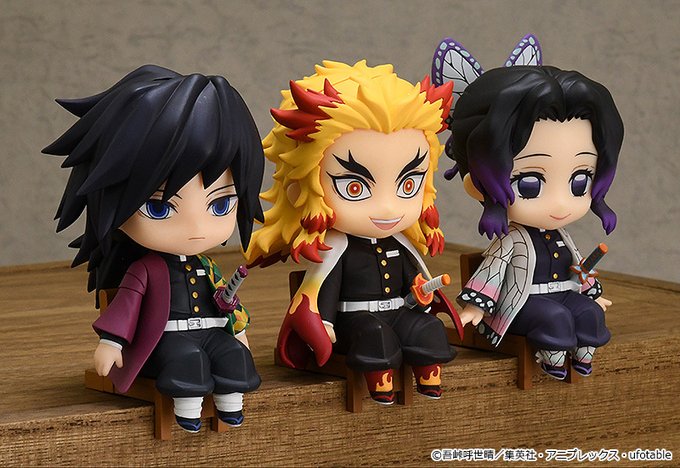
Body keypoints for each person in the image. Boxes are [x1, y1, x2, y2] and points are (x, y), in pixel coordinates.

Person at [44, 65, 265, 431]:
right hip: (167, 339)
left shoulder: (208, 267)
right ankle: (188, 409)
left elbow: (226, 301)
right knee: (188, 360)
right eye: (160, 208)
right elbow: (126, 307)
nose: (196, 230)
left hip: (211, 330)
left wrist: (237, 329)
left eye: (220, 205)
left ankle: (231, 403)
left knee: (233, 355)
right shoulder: (145, 270)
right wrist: (112, 342)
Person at [246, 60, 461, 404]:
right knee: (374, 334)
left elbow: (415, 283)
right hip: (355, 321)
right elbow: (325, 289)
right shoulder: (336, 247)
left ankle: (428, 373)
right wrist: (325, 323)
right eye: (355, 188)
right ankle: (380, 380)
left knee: (428, 328)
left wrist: (421, 294)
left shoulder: (400, 242)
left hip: (399, 311)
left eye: (408, 185)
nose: (388, 207)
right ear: (305, 183)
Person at [447, 65, 624, 379]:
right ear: (477, 183)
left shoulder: (562, 235)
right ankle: (552, 357)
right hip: (523, 301)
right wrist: (476, 307)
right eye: (529, 183)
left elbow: (577, 265)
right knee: (554, 317)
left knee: (589, 312)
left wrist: (592, 293)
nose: (560, 203)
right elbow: (492, 271)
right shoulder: (510, 240)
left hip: (563, 293)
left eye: (580, 181)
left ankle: (583, 355)